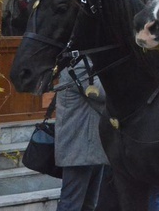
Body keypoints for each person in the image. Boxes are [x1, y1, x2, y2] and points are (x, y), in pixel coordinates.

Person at [55, 63, 108, 211]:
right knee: (71, 204)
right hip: (79, 148)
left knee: (88, 204)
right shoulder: (79, 67)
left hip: (92, 148)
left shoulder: (87, 65)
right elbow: (103, 92)